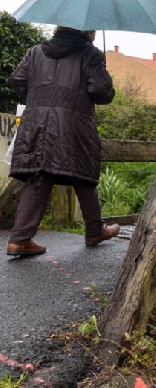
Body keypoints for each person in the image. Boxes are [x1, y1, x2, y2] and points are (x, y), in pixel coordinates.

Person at [6, 26, 120, 257]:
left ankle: (19, 239)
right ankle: (95, 230)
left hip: (35, 121)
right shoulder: (91, 54)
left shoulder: (35, 52)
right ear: (86, 30)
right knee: (83, 174)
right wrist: (103, 73)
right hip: (73, 123)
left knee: (38, 174)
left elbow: (17, 80)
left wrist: (41, 94)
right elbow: (101, 91)